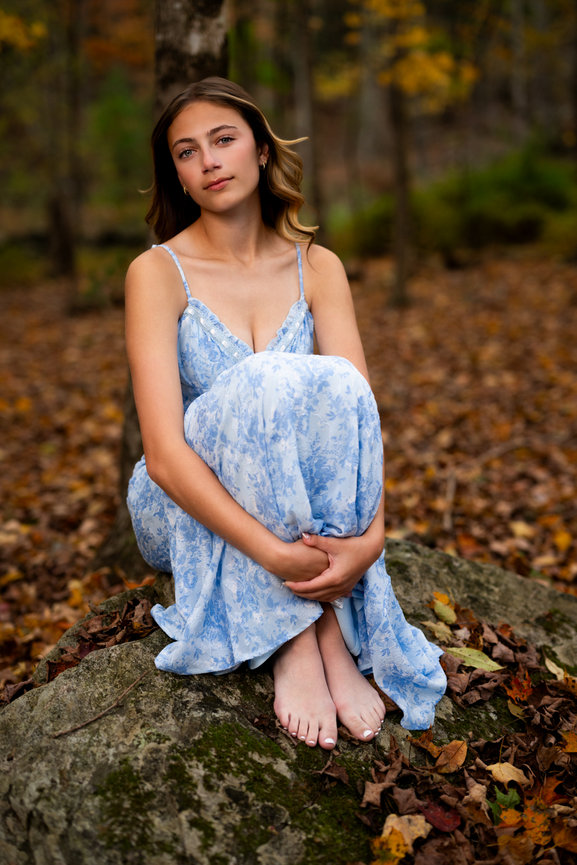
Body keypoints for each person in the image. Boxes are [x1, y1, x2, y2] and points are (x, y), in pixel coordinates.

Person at [126, 77, 446, 750]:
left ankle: (318, 622)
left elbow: (354, 415)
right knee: (267, 378)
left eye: (223, 139)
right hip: (180, 498)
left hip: (304, 503)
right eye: (187, 152)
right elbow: (162, 453)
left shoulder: (318, 266)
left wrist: (369, 541)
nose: (208, 161)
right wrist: (277, 558)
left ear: (261, 150)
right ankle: (305, 635)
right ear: (177, 176)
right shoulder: (156, 273)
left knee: (332, 385)